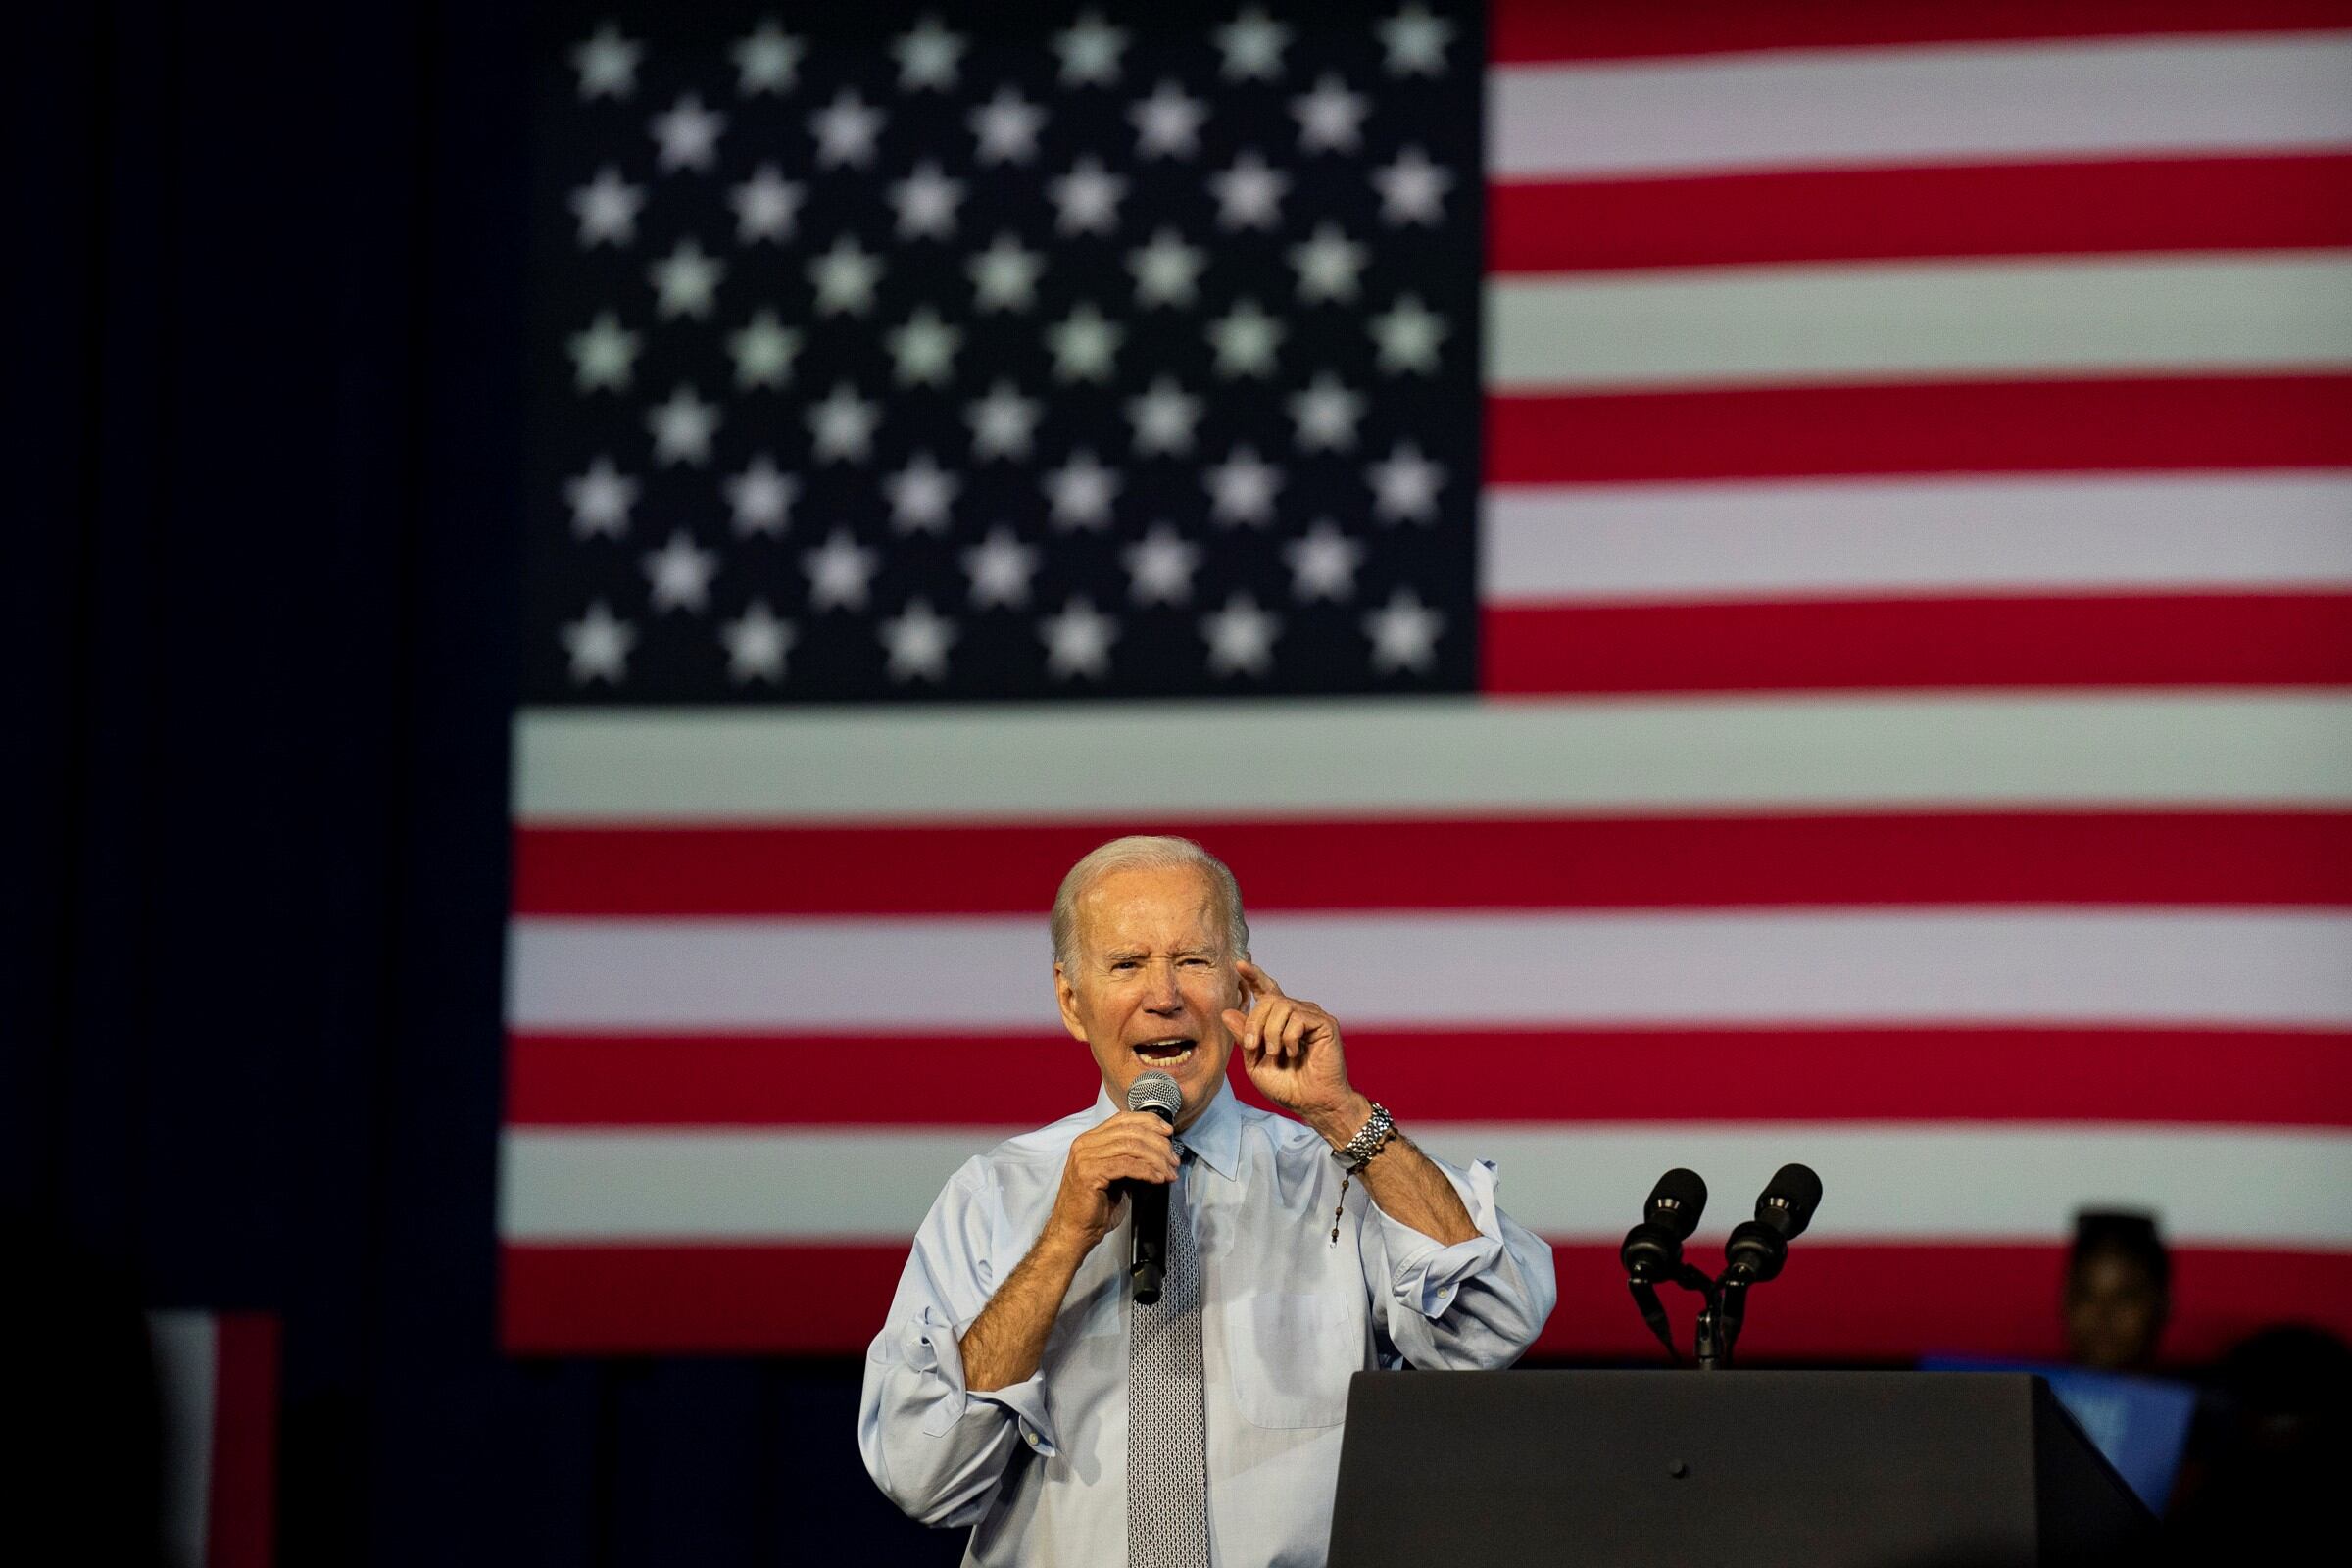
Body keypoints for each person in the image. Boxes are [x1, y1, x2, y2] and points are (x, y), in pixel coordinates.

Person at [858, 835, 1556, 1565]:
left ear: (1239, 987)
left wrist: (1344, 1117)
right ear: (1072, 1000)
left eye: (1193, 961)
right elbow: (922, 1479)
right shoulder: (994, 1195)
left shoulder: (1336, 1173)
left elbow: (1495, 1329)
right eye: (1127, 965)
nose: (1164, 997)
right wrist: (1062, 1240)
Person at [2062, 1210, 2170, 1374]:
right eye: (2087, 1296)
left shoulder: (2200, 1397)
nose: (2103, 1316)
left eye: (2125, 1298)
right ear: (2066, 1299)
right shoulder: (2026, 1394)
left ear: (2162, 1304)